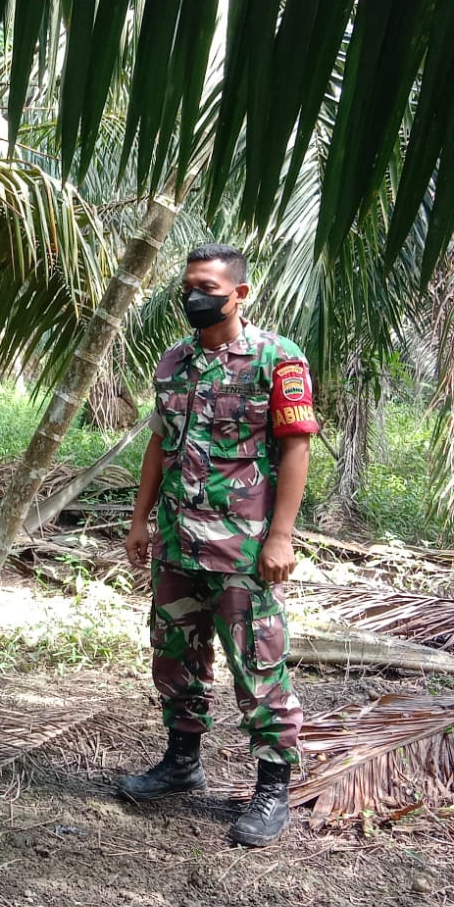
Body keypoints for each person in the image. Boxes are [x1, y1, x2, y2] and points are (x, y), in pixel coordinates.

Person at [120, 243, 317, 847]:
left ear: (241, 293)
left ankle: (272, 789)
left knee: (257, 663)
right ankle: (181, 762)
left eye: (207, 286)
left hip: (244, 547)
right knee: (175, 655)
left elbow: (295, 448)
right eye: (187, 286)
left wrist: (281, 535)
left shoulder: (276, 360)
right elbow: (161, 443)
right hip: (179, 542)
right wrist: (140, 518)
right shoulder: (174, 361)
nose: (193, 296)